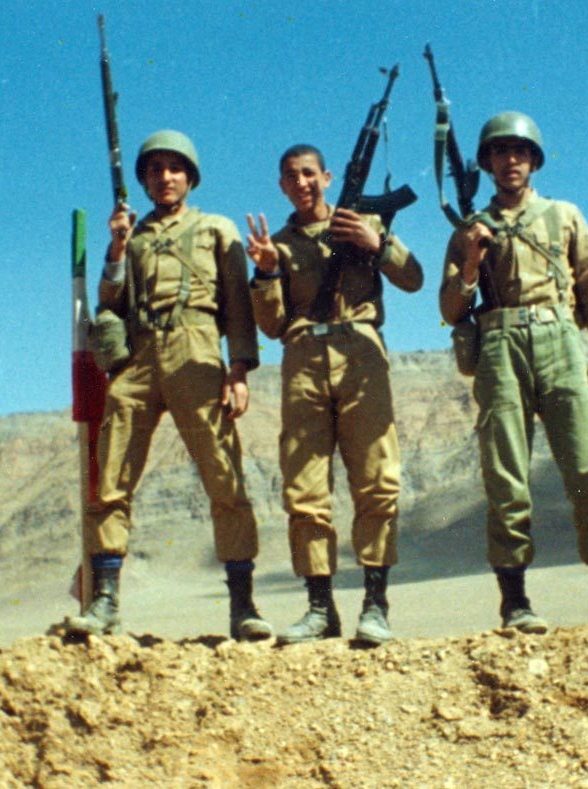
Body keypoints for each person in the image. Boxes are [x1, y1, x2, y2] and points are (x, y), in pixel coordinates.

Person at [65, 130, 271, 641]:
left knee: (224, 476)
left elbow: (238, 303)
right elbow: (110, 301)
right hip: (138, 356)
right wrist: (117, 247)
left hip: (195, 348)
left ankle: (242, 606)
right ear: (143, 180)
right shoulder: (131, 236)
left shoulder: (215, 228)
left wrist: (239, 369)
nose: (165, 177)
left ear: (190, 176)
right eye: (154, 169)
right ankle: (105, 601)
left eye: (174, 168)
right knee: (111, 475)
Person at [438, 111, 588, 633]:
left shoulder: (564, 215)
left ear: (534, 160)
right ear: (486, 163)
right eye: (500, 152)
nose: (511, 160)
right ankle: (516, 603)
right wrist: (471, 262)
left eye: (520, 152)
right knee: (506, 478)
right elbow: (451, 309)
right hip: (499, 348)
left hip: (560, 341)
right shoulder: (468, 228)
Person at [246, 144, 423, 646]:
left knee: (377, 479)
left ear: (326, 177)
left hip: (361, 352)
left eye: (309, 174)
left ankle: (376, 605)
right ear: (282, 186)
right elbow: (272, 324)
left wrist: (375, 243)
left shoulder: (362, 222)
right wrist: (266, 272)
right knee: (304, 489)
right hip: (303, 359)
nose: (301, 183)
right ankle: (320, 609)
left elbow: (413, 279)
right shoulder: (278, 245)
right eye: (291, 176)